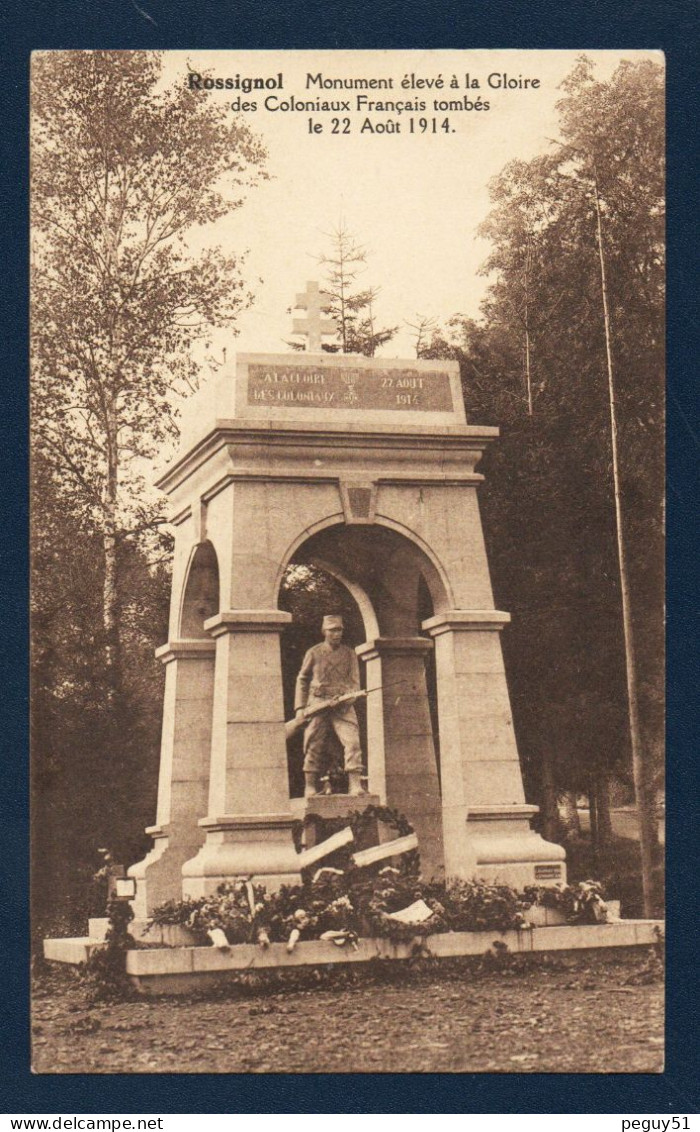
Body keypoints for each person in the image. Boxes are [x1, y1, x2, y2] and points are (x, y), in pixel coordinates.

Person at [294, 613, 365, 797]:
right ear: (324, 631)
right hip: (318, 703)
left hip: (342, 705)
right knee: (313, 742)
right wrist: (300, 708)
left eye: (339, 630)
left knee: (353, 742)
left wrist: (347, 698)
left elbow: (355, 682)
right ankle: (310, 786)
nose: (337, 634)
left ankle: (355, 784)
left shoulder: (349, 653)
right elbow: (302, 679)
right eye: (332, 630)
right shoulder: (314, 652)